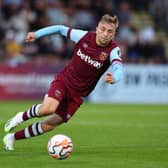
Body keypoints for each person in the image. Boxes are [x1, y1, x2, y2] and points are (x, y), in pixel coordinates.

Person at [3, 14, 123, 151]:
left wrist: (115, 78)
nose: (105, 34)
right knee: (48, 109)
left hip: (77, 95)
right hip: (64, 82)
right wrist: (37, 34)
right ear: (97, 28)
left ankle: (11, 137)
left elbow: (119, 67)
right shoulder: (84, 37)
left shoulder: (113, 50)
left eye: (110, 31)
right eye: (103, 29)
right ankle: (20, 117)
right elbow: (60, 29)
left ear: (114, 34)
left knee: (49, 125)